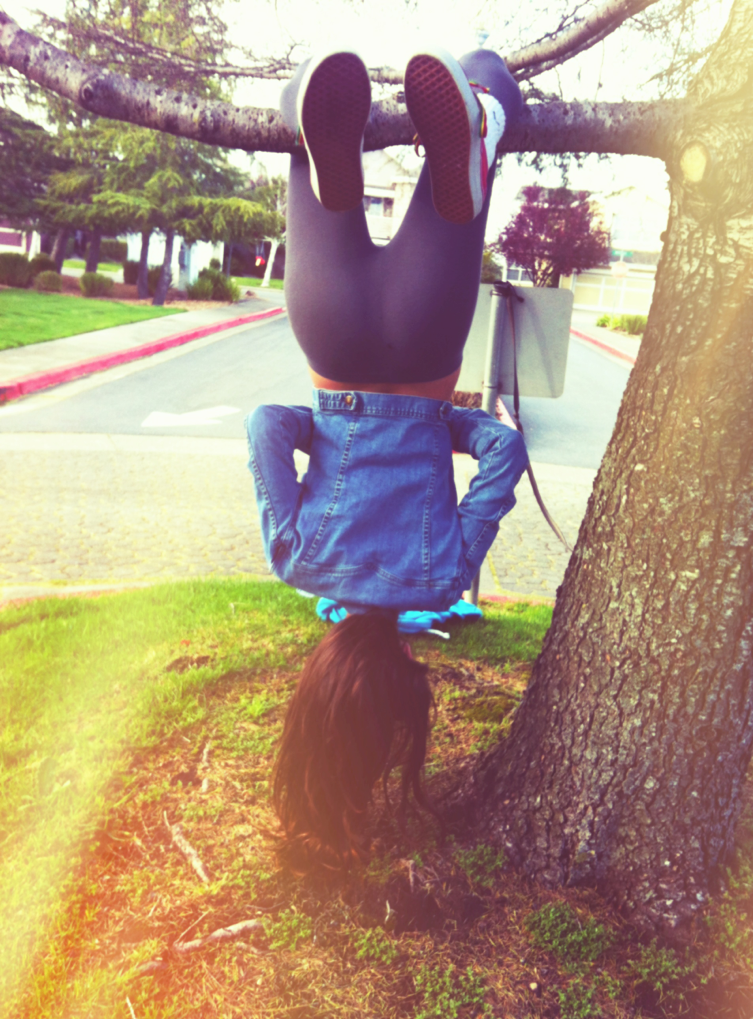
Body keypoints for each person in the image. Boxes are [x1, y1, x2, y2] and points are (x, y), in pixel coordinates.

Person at [246, 47, 528, 868]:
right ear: (318, 683)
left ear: (400, 671)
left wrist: (433, 427)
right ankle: (327, 131)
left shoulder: (441, 583)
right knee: (305, 123)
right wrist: (330, 428)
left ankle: (475, 129)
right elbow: (266, 427)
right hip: (331, 332)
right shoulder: (295, 561)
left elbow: (503, 449)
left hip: (425, 333)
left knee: (485, 74)